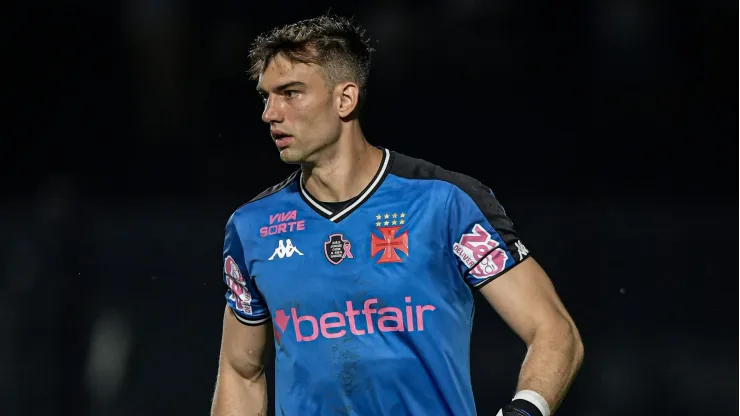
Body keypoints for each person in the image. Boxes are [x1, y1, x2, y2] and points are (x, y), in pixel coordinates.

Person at [210, 14, 583, 416]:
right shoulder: (253, 228)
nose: (270, 113)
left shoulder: (445, 203)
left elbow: (554, 331)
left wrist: (525, 411)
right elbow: (241, 371)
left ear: (345, 99)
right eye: (266, 97)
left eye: (290, 93)